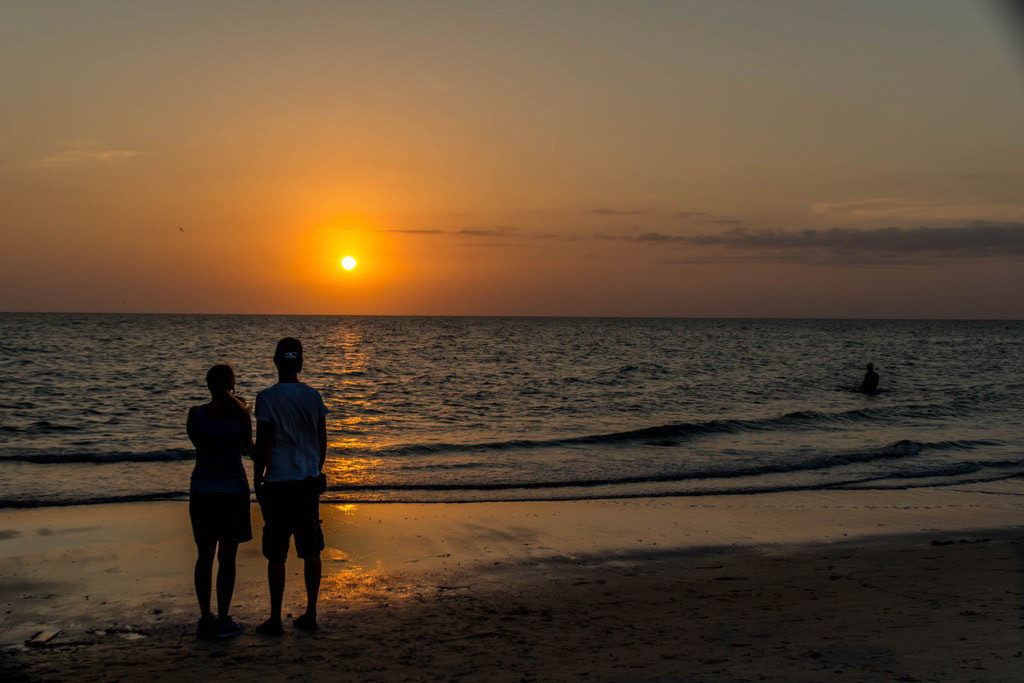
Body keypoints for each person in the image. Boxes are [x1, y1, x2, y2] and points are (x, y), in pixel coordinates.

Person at [253, 337, 329, 635]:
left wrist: (258, 477)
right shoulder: (313, 396)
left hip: (278, 483)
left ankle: (274, 617)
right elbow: (322, 440)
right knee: (311, 549)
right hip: (306, 482)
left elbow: (265, 443)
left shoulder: (267, 397)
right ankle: (310, 612)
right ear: (300, 363)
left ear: (275, 361)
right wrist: (315, 467)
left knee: (276, 552)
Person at [186, 364, 253, 640]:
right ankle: (223, 618)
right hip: (232, 490)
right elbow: (247, 449)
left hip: (202, 489)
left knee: (204, 557)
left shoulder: (196, 414)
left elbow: (198, 444)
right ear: (233, 385)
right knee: (227, 558)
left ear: (208, 386)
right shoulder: (241, 415)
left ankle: (205, 617)